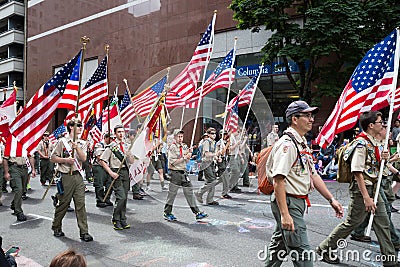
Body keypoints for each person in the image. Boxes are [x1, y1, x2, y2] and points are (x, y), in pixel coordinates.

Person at [264, 100, 343, 266]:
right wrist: (285, 214)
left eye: (312, 115)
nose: (312, 119)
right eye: (307, 115)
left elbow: (313, 175)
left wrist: (331, 199)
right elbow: (279, 180)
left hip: (296, 202)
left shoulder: (300, 143)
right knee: (303, 254)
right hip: (288, 202)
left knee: (278, 249)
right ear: (294, 119)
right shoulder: (288, 145)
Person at [317, 111, 397, 265]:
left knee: (383, 223)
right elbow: (357, 172)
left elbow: (372, 168)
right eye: (380, 122)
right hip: (362, 191)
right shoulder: (361, 144)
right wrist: (366, 197)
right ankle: (325, 248)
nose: (383, 125)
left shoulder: (374, 142)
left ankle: (390, 260)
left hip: (374, 187)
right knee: (352, 222)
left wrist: (385, 159)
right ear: (371, 125)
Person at [50, 119, 93, 242]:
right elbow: (52, 157)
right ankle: (56, 226)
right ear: (70, 127)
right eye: (78, 125)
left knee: (80, 205)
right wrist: (65, 161)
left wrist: (77, 148)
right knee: (63, 203)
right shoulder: (62, 142)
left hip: (78, 176)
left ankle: (84, 232)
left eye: (81, 125)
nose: (80, 127)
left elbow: (83, 158)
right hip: (65, 176)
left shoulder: (82, 143)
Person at [163, 129, 208, 221]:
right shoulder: (172, 147)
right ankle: (167, 212)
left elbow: (186, 161)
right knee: (172, 194)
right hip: (175, 173)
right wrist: (184, 157)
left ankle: (197, 212)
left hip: (183, 172)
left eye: (181, 136)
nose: (180, 138)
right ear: (175, 137)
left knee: (189, 193)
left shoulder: (184, 146)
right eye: (178, 136)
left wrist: (189, 154)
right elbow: (172, 163)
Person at [100, 125, 135, 230]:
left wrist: (129, 155)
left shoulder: (127, 145)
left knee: (124, 198)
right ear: (115, 134)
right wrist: (111, 173)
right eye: (119, 132)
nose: (121, 134)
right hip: (116, 173)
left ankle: (123, 219)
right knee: (121, 197)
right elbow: (102, 160)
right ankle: (116, 219)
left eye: (122, 132)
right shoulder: (112, 146)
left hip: (125, 172)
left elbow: (131, 161)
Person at [3, 153, 35, 221]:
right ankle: (18, 212)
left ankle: (14, 204)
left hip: (24, 168)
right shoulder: (12, 145)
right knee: (19, 189)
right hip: (14, 168)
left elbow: (31, 157)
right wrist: (6, 172)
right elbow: (5, 159)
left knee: (23, 190)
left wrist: (33, 169)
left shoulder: (25, 145)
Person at [195, 127, 220, 205]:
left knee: (211, 181)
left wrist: (217, 158)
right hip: (206, 163)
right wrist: (215, 154)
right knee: (213, 181)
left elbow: (212, 154)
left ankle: (210, 199)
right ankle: (199, 192)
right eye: (212, 133)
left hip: (211, 162)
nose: (214, 135)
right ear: (208, 134)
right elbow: (207, 154)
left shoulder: (213, 142)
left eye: (215, 133)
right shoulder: (207, 142)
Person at [92, 133, 113, 208]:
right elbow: (99, 157)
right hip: (99, 166)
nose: (112, 140)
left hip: (109, 167)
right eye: (110, 138)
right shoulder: (99, 145)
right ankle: (100, 200)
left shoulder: (113, 146)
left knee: (110, 184)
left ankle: (106, 198)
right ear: (106, 138)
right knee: (99, 184)